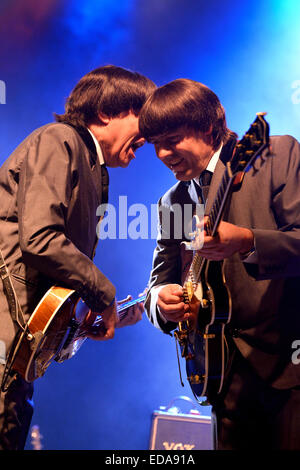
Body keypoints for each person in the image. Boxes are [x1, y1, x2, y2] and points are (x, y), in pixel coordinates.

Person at [139, 78, 300, 450]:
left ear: (209, 128)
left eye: (172, 140)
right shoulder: (172, 202)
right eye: (154, 145)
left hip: (288, 369)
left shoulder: (276, 156)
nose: (162, 154)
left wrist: (247, 241)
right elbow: (156, 284)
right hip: (219, 376)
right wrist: (161, 299)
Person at [0, 65, 156, 450]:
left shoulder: (92, 166)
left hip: (18, 355)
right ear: (105, 112)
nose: (150, 138)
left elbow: (52, 269)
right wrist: (102, 293)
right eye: (144, 120)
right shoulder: (60, 140)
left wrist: (88, 313)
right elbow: (41, 239)